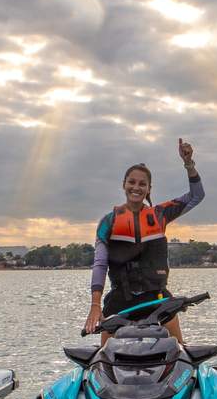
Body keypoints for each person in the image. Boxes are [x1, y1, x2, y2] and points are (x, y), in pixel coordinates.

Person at [83, 139, 204, 343]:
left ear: (148, 188)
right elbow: (100, 264)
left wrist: (189, 164)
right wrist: (95, 305)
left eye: (142, 184)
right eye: (132, 182)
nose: (136, 187)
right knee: (103, 358)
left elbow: (196, 195)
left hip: (157, 299)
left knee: (180, 349)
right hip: (121, 300)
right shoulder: (108, 222)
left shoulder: (160, 214)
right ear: (124, 185)